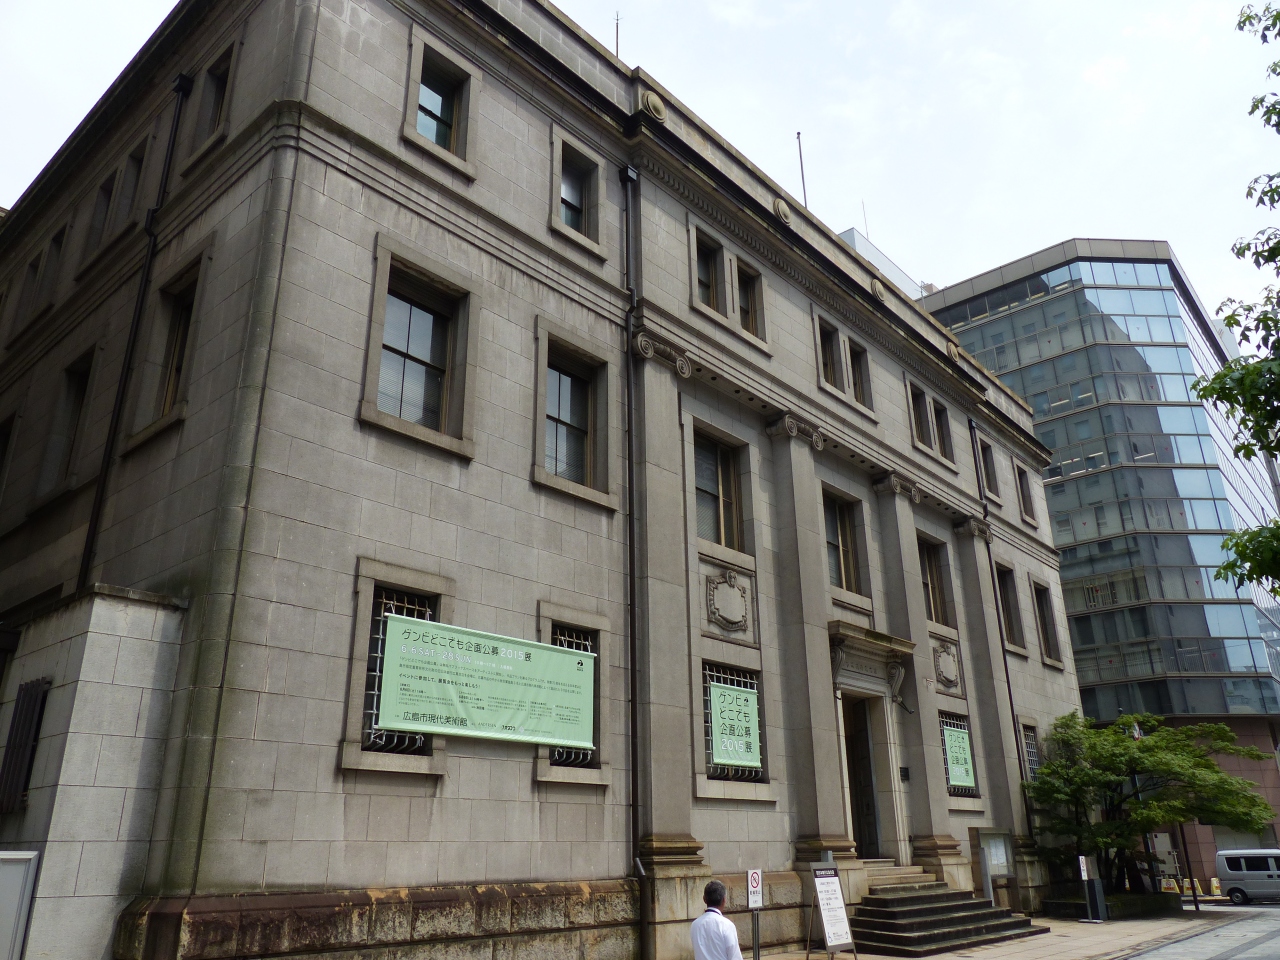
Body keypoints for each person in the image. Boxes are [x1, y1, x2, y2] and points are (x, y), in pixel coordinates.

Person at [690, 879, 743, 960]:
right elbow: (735, 957)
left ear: (704, 899)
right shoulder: (727, 925)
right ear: (724, 900)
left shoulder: (695, 925)